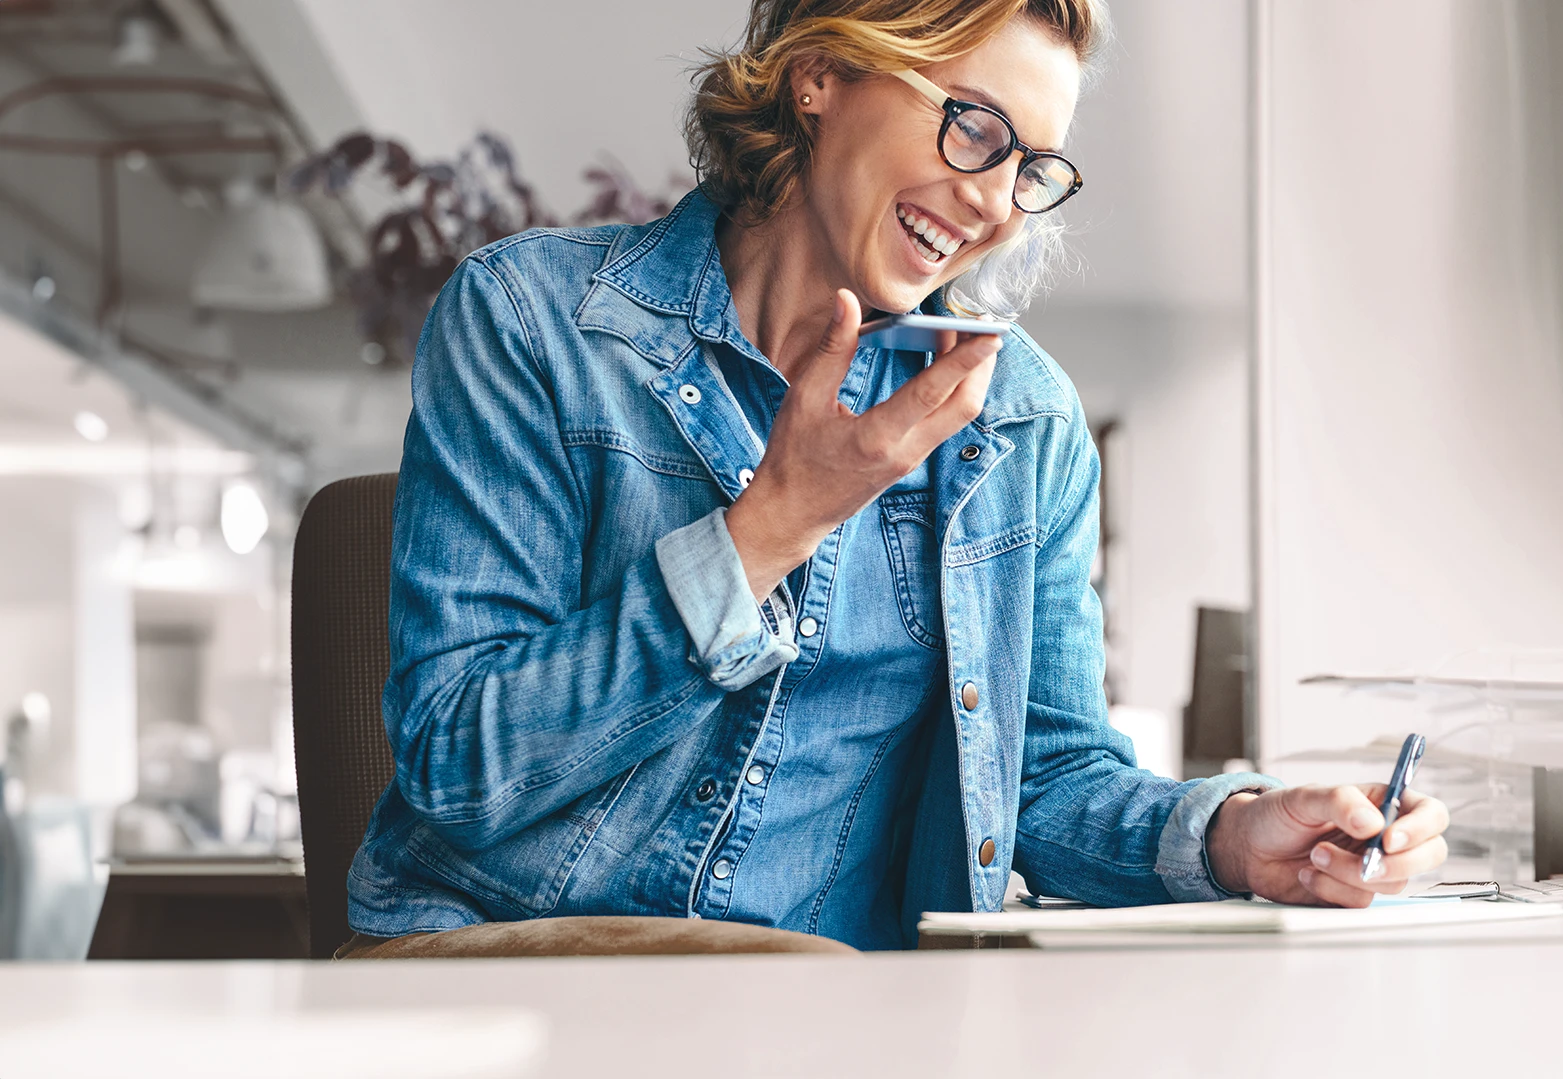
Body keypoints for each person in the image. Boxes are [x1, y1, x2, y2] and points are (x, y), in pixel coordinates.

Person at [338, 0, 1449, 959]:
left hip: (817, 1010)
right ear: (819, 75)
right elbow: (461, 765)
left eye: (1031, 167)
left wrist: (1235, 835)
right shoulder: (536, 321)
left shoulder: (1021, 421)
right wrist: (771, 524)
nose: (997, 199)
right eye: (975, 127)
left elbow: (1047, 783)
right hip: (507, 970)